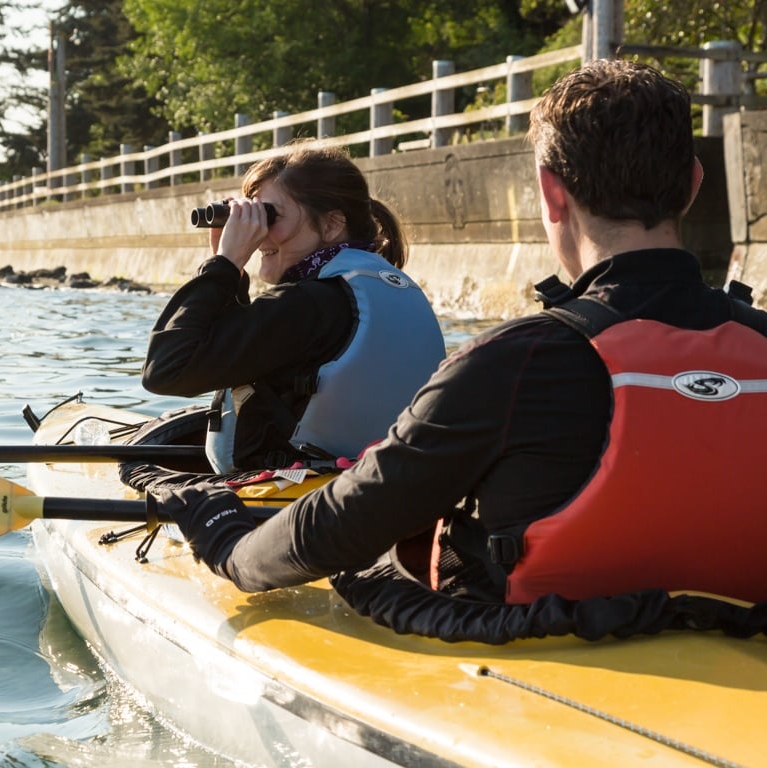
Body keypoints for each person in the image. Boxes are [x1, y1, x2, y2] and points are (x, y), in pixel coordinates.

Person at [157, 59, 767, 643]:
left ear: (551, 193)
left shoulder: (512, 361)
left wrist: (231, 547)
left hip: (533, 653)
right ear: (691, 185)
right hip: (739, 631)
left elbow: (344, 527)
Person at [134, 141, 445, 477]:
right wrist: (233, 276)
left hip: (296, 500)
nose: (258, 235)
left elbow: (165, 370)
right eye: (251, 218)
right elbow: (243, 355)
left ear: (330, 225)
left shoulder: (304, 306)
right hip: (382, 485)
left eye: (269, 216)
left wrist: (223, 265)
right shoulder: (388, 286)